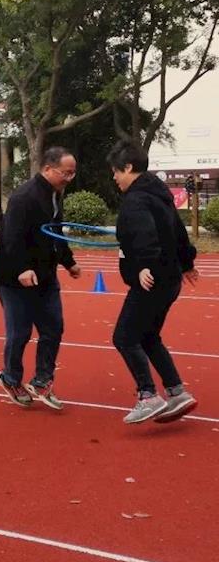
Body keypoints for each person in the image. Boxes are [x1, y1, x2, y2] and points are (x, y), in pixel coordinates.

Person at [108, 142, 199, 424]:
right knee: (148, 336)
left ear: (128, 167)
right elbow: (177, 231)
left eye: (116, 171)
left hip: (152, 279)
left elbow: (145, 234)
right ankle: (177, 392)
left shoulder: (136, 199)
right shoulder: (159, 194)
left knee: (124, 337)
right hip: (170, 278)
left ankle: (148, 395)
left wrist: (143, 266)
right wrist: (187, 263)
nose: (114, 177)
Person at [0, 146, 83, 409]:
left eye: (73, 173)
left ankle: (42, 380)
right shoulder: (24, 197)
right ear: (47, 169)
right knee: (20, 332)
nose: (69, 178)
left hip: (44, 275)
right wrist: (22, 268)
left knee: (53, 328)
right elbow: (11, 236)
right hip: (13, 277)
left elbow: (56, 232)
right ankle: (11, 378)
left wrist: (69, 262)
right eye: (65, 173)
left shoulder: (55, 195)